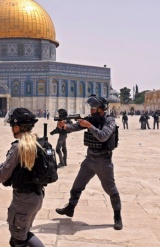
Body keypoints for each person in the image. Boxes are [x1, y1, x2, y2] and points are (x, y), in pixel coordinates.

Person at [55, 95, 123, 230]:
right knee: (77, 185)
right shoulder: (90, 119)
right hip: (89, 159)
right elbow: (74, 127)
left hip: (103, 160)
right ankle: (70, 208)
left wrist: (89, 125)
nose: (91, 110)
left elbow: (103, 136)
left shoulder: (110, 121)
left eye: (94, 108)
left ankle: (117, 216)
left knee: (111, 189)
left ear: (101, 109)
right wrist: (64, 126)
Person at [0, 108, 45, 247]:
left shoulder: (18, 147)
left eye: (12, 126)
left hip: (23, 200)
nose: (11, 129)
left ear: (17, 127)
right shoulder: (37, 142)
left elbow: (1, 177)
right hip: (37, 195)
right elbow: (19, 165)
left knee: (18, 240)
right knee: (23, 235)